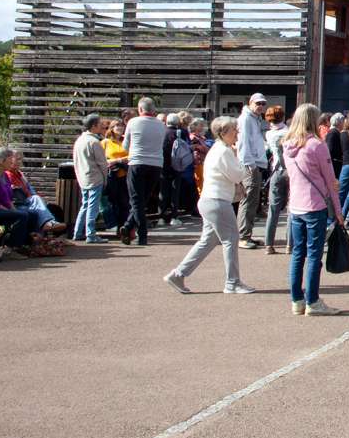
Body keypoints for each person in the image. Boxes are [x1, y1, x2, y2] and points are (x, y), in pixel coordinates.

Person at [165, 116, 255, 294]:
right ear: (223, 132)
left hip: (210, 200)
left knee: (208, 241)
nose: (237, 132)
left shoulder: (219, 149)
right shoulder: (224, 151)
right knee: (230, 239)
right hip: (217, 201)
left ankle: (178, 274)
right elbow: (238, 176)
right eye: (234, 129)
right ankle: (232, 283)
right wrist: (241, 159)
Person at [283, 103, 344, 316]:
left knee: (297, 254)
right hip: (315, 205)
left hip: (296, 205)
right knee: (314, 256)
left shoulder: (287, 145)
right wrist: (338, 211)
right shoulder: (317, 145)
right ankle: (313, 301)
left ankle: (297, 300)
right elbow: (330, 181)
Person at [122, 97, 166, 246]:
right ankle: (128, 226)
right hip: (156, 164)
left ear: (140, 109)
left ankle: (142, 234)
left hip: (137, 162)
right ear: (153, 110)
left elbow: (125, 146)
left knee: (136, 200)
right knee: (143, 199)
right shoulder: (161, 125)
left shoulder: (133, 122)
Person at [0, 147, 38, 253]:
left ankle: (26, 244)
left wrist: (13, 210)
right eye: (10, 159)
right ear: (1, 160)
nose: (12, 162)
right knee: (22, 216)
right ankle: (12, 248)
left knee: (32, 214)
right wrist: (12, 211)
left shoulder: (3, 175)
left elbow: (7, 199)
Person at [5, 151, 66, 236]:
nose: (19, 162)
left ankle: (52, 235)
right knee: (35, 207)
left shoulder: (20, 174)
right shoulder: (6, 175)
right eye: (17, 159)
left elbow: (30, 189)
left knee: (55, 208)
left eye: (21, 159)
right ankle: (47, 224)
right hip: (18, 203)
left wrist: (41, 200)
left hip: (28, 201)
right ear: (10, 160)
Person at [236, 93, 269, 248]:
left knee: (253, 201)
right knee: (248, 200)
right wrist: (250, 164)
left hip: (255, 163)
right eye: (258, 103)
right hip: (250, 164)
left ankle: (246, 234)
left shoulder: (255, 119)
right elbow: (243, 143)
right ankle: (243, 237)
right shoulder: (246, 119)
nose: (261, 106)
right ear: (250, 103)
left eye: (263, 103)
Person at [71, 113, 110, 243]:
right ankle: (91, 234)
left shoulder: (79, 140)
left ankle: (78, 232)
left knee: (85, 205)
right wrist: (105, 179)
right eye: (99, 124)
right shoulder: (94, 142)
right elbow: (102, 163)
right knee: (93, 207)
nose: (102, 126)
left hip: (83, 177)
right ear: (93, 126)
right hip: (95, 178)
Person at [263, 105, 290, 255]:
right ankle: (290, 244)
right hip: (290, 171)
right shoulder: (288, 132)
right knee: (291, 210)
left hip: (276, 171)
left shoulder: (268, 134)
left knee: (273, 209)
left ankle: (269, 244)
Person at [101, 118, 131, 235]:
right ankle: (114, 224)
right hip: (111, 176)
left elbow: (132, 156)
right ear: (112, 128)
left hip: (125, 175)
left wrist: (118, 160)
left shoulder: (126, 141)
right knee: (113, 201)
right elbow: (102, 159)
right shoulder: (105, 142)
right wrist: (113, 161)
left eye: (122, 126)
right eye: (117, 126)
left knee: (124, 202)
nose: (120, 128)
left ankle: (123, 226)